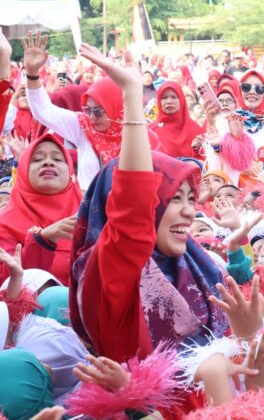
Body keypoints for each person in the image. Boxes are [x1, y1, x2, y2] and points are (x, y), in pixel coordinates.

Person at [68, 47, 228, 365]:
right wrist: (131, 95)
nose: (188, 211)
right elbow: (133, 213)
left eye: (190, 199)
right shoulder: (110, 273)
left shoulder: (199, 268)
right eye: (171, 199)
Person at [24, 37, 162, 190]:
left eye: (97, 111)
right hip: (88, 211)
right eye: (88, 110)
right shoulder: (84, 127)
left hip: (128, 210)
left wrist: (131, 87)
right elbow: (44, 111)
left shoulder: (141, 135)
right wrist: (32, 74)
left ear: (118, 107)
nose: (91, 117)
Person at [0, 134, 81, 285]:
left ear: (71, 172)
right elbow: (6, 285)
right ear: (23, 171)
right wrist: (43, 241)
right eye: (37, 159)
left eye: (57, 159)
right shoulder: (5, 222)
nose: (48, 163)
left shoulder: (91, 212)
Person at [148, 81, 204, 159]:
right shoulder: (151, 131)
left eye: (174, 97)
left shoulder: (195, 129)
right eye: (164, 98)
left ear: (181, 99)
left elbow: (205, 161)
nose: (169, 102)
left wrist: (197, 151)